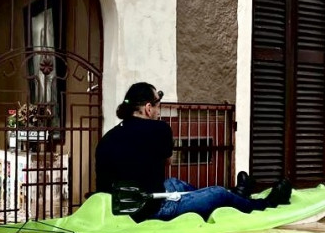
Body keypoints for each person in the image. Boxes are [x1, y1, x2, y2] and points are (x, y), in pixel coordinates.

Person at [95, 82, 292, 223]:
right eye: (157, 105)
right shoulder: (159, 129)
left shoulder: (107, 138)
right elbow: (168, 161)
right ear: (148, 108)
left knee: (174, 183)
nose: (158, 111)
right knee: (217, 193)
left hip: (121, 208)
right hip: (153, 209)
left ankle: (238, 195)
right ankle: (266, 203)